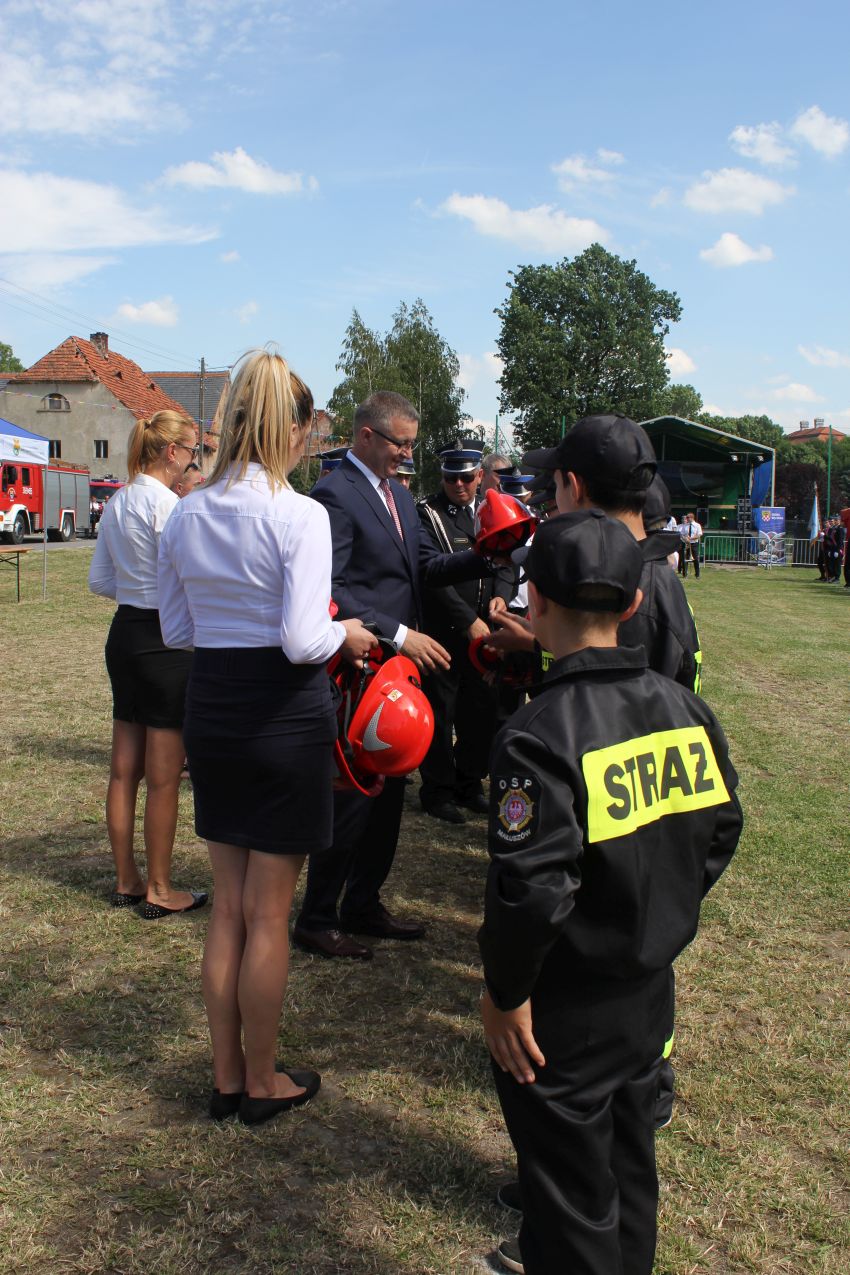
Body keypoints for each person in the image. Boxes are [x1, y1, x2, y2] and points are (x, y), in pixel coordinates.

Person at [479, 510, 742, 1275]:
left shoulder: (537, 734)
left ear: (534, 602)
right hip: (649, 991)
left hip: (564, 1010)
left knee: (571, 1207)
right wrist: (659, 908)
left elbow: (532, 892)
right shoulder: (686, 708)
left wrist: (505, 991)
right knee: (629, 1177)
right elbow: (722, 827)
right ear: (633, 603)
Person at [157, 348, 375, 1124]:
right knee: (269, 914)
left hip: (214, 706)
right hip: (283, 716)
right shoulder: (299, 513)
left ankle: (225, 1076)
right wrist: (347, 631)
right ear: (289, 426)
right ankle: (261, 1080)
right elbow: (302, 639)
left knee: (227, 909)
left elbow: (176, 629)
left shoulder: (186, 512)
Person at [293, 390, 493, 959]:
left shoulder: (400, 497)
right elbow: (331, 587)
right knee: (354, 794)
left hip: (397, 672)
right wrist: (399, 634)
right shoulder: (333, 495)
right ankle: (317, 916)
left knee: (390, 791)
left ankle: (363, 903)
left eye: (411, 445)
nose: (408, 455)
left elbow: (424, 568)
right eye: (400, 444)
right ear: (366, 436)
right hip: (359, 669)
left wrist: (487, 554)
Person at [88, 410, 206, 917]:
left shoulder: (117, 501)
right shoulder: (170, 507)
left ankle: (127, 880)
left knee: (123, 770)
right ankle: (159, 888)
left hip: (126, 633)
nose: (195, 460)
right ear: (172, 453)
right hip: (166, 641)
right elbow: (193, 577)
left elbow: (99, 580)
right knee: (162, 777)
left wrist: (137, 589)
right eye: (193, 451)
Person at [416, 444, 514, 823]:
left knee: (480, 712)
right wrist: (467, 620)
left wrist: (502, 597)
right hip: (444, 631)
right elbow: (430, 575)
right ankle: (437, 791)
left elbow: (506, 560)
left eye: (466, 477)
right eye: (450, 477)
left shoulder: (491, 510)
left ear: (480, 476)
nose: (458, 484)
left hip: (486, 633)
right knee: (441, 713)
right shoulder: (428, 513)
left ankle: (469, 783)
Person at [678, 511, 702, 578]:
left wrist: (691, 538)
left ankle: (697, 575)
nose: (686, 519)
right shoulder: (685, 525)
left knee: (695, 559)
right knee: (685, 559)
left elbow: (699, 535)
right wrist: (685, 538)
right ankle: (685, 574)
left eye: (687, 518)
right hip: (686, 544)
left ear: (691, 518)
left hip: (694, 544)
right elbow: (681, 534)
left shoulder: (697, 525)